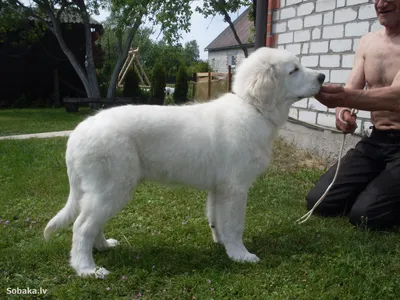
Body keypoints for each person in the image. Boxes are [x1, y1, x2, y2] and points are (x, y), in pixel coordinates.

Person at [306, 0, 400, 230]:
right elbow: (351, 88)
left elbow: (396, 97)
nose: (381, 3)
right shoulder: (367, 42)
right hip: (377, 140)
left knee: (365, 216)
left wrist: (343, 98)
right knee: (319, 202)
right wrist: (343, 112)